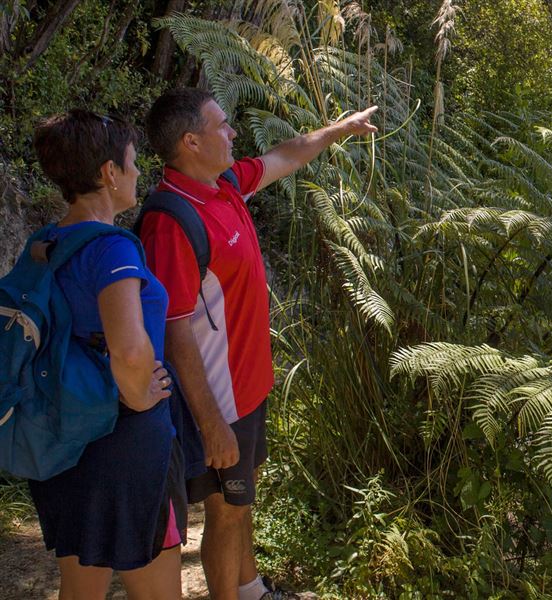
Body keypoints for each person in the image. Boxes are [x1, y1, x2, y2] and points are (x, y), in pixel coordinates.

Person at [140, 87, 377, 600]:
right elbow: (174, 330)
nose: (232, 133)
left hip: (247, 388)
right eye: (221, 125)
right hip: (219, 401)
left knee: (242, 505)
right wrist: (210, 422)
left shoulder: (223, 184)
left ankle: (251, 591)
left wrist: (338, 130)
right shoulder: (171, 222)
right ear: (190, 142)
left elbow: (284, 155)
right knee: (226, 515)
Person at [29, 110, 185, 599]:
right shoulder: (114, 250)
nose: (139, 173)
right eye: (133, 162)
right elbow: (131, 348)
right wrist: (142, 397)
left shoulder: (44, 244)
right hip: (124, 446)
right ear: (108, 173)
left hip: (64, 434)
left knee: (80, 587)